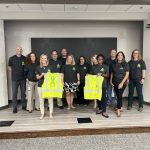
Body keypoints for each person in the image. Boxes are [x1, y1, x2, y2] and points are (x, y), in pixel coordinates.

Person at [110, 51, 129, 117]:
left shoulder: (126, 64)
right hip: (115, 82)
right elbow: (112, 73)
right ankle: (120, 107)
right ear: (117, 56)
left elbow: (127, 74)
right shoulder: (114, 64)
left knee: (119, 95)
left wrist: (121, 83)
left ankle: (118, 109)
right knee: (118, 95)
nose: (119, 56)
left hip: (122, 83)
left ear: (123, 56)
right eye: (118, 55)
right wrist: (111, 81)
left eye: (121, 55)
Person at [90, 54, 109, 118]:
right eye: (98, 59)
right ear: (97, 60)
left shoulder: (106, 66)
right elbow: (92, 75)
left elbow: (107, 75)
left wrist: (101, 74)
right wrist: (88, 75)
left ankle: (104, 111)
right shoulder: (94, 67)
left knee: (104, 98)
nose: (99, 60)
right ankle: (100, 109)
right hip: (96, 85)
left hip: (103, 85)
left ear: (103, 60)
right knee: (98, 97)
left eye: (101, 59)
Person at [8, 46, 26, 113]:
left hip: (23, 79)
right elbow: (9, 67)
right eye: (18, 49)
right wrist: (13, 73)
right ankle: (14, 107)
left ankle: (24, 106)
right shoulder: (11, 58)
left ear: (22, 50)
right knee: (14, 93)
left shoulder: (24, 58)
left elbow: (26, 67)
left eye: (20, 49)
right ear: (16, 50)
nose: (19, 50)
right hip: (14, 79)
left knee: (23, 93)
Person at [35, 54, 53, 119]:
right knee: (41, 100)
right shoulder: (38, 67)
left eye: (45, 58)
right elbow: (37, 78)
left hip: (49, 86)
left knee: (50, 100)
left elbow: (53, 77)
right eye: (42, 58)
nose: (43, 60)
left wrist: (49, 75)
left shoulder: (50, 67)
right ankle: (42, 114)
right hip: (40, 86)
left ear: (47, 59)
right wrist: (42, 75)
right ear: (41, 59)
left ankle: (50, 113)